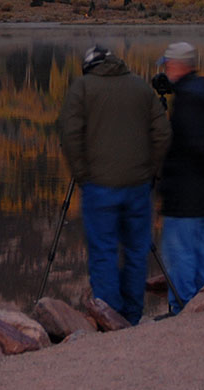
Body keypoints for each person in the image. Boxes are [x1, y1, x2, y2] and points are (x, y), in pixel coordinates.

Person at [59, 45, 170, 325]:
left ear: (89, 67)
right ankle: (132, 315)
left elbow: (70, 134)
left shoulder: (82, 88)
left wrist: (82, 174)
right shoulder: (141, 87)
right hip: (138, 186)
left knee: (103, 252)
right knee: (136, 251)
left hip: (99, 186)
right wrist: (150, 170)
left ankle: (110, 317)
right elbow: (162, 133)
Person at [154, 42, 204, 313]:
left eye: (168, 65)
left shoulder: (187, 100)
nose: (166, 70)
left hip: (185, 195)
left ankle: (183, 311)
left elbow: (190, 146)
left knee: (180, 256)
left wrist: (166, 183)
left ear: (177, 65)